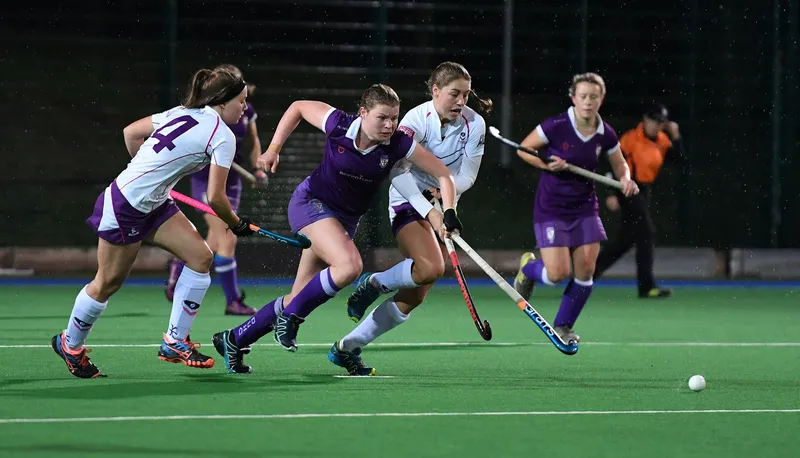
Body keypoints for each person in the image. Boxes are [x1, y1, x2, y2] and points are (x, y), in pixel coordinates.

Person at [211, 84, 463, 374]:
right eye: (382, 117)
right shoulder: (339, 124)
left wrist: (449, 212)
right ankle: (291, 318)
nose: (390, 125)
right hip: (311, 204)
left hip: (343, 221)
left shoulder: (398, 144)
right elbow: (298, 106)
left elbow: (444, 175)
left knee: (300, 296)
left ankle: (235, 338)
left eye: (394, 118)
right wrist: (273, 149)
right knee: (349, 265)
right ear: (363, 113)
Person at [51, 66, 257, 378]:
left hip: (156, 202)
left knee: (201, 257)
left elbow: (131, 133)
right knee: (107, 283)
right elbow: (216, 198)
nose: (244, 107)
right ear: (222, 100)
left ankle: (174, 341)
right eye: (240, 101)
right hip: (126, 206)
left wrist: (150, 173)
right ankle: (71, 344)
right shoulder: (222, 136)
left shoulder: (182, 112)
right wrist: (237, 223)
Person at [331, 62, 492, 376]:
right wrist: (430, 210)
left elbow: (467, 175)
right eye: (454, 94)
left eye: (466, 95)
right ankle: (375, 283)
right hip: (406, 199)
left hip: (441, 199)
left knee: (417, 291)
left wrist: (447, 206)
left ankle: (346, 348)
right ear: (435, 91)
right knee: (432, 267)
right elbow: (397, 172)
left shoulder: (476, 124)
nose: (461, 102)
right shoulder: (414, 121)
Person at [511, 72, 639, 343]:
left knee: (586, 271)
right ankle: (529, 269)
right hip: (552, 207)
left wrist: (626, 179)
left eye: (594, 96)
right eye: (583, 96)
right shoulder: (557, 125)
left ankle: (564, 326)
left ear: (601, 99)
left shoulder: (605, 133)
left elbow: (620, 165)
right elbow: (523, 149)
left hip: (585, 209)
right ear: (573, 98)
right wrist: (547, 164)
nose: (588, 101)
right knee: (557, 274)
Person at [165, 64, 267, 316]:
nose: (242, 101)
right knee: (228, 236)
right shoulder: (204, 114)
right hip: (206, 179)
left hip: (233, 181)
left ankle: (178, 265)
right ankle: (233, 300)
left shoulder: (247, 111)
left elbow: (254, 141)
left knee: (214, 239)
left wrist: (258, 169)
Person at [593, 103, 687, 298]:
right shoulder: (630, 139)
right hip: (627, 189)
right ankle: (646, 286)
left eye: (660, 122)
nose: (656, 125)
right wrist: (611, 192)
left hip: (643, 191)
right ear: (645, 120)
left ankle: (586, 275)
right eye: (653, 120)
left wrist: (676, 136)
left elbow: (680, 160)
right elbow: (614, 164)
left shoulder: (662, 141)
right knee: (647, 233)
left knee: (625, 241)